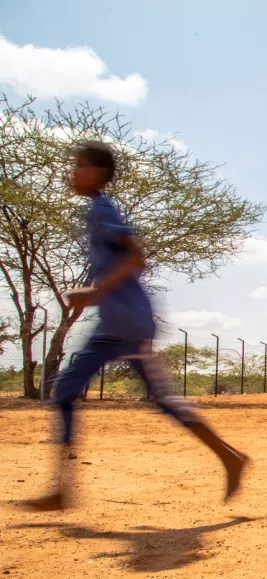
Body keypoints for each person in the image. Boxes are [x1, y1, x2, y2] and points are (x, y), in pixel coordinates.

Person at [20, 141, 250, 512]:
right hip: (113, 324)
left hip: (128, 324)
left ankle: (230, 457)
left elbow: (136, 256)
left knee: (155, 399)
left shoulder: (103, 210)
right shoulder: (96, 210)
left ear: (98, 172)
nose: (72, 173)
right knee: (69, 391)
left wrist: (96, 291)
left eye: (79, 166)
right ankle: (62, 489)